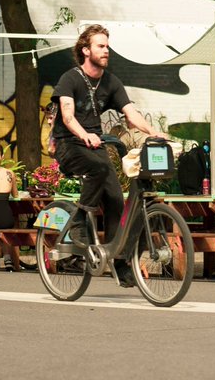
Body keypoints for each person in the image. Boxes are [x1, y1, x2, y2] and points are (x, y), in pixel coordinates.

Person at [50, 24, 167, 287]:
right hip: (69, 144)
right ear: (85, 50)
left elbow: (131, 113)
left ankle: (120, 261)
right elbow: (67, 117)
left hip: (95, 147)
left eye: (107, 46)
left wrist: (153, 131)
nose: (106, 50)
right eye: (100, 46)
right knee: (99, 169)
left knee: (116, 200)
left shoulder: (111, 82)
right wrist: (85, 135)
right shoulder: (70, 79)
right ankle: (79, 221)